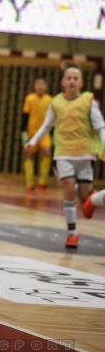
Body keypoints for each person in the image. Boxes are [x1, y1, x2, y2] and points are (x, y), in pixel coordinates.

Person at [25, 63, 105, 249]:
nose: (72, 81)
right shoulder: (56, 102)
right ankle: (72, 234)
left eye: (75, 78)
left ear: (81, 83)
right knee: (69, 189)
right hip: (63, 152)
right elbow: (46, 125)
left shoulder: (88, 101)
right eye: (68, 78)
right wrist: (33, 141)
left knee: (84, 197)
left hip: (86, 153)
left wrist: (103, 143)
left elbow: (100, 125)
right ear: (62, 82)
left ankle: (91, 201)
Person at [21, 77, 52, 195]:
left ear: (46, 87)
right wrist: (24, 135)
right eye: (38, 84)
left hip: (44, 134)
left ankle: (42, 181)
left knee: (47, 152)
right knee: (30, 156)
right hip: (32, 133)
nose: (40, 87)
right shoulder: (30, 98)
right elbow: (25, 117)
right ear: (34, 86)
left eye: (42, 85)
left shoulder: (50, 100)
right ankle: (30, 184)